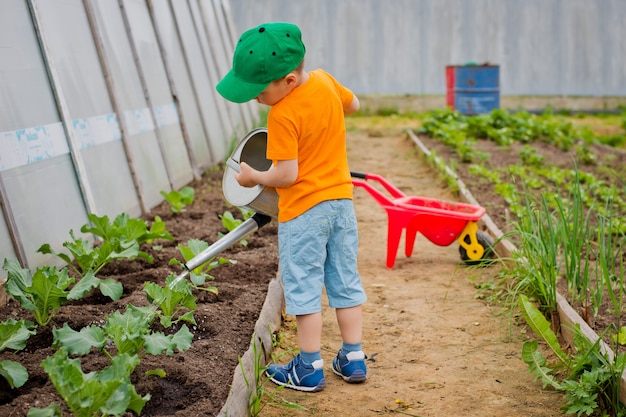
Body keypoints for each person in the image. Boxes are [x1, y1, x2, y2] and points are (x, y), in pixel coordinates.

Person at [216, 22, 367, 392]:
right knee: (345, 281)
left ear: (288, 81)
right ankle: (353, 357)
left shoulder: (281, 115)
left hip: (304, 212)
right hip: (341, 204)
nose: (254, 97)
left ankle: (309, 367)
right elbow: (355, 104)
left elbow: (286, 174)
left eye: (259, 89)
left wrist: (253, 177)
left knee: (303, 285)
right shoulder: (326, 81)